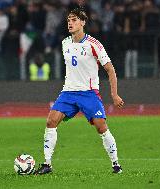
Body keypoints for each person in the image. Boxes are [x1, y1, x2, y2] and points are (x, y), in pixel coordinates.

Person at [34, 8, 124, 175]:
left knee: (101, 127)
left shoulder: (94, 44)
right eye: (69, 20)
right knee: (50, 121)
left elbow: (110, 69)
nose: (70, 23)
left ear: (83, 22)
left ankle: (116, 164)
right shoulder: (65, 43)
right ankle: (47, 164)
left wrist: (114, 94)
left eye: (74, 20)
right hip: (68, 92)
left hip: (88, 93)